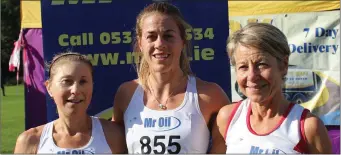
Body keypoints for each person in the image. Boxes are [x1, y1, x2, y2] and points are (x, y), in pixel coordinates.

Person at [112, 2, 231, 154]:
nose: (160, 44)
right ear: (140, 43)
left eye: (168, 36)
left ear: (183, 42)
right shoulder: (126, 94)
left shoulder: (209, 95)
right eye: (151, 36)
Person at [214, 23, 332, 154]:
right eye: (243, 67)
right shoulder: (227, 118)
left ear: (284, 65)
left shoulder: (308, 127)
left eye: (262, 64)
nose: (252, 76)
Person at [14, 52, 127, 154]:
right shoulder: (30, 141)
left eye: (83, 81)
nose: (76, 90)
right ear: (49, 87)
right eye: (67, 81)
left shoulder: (113, 135)